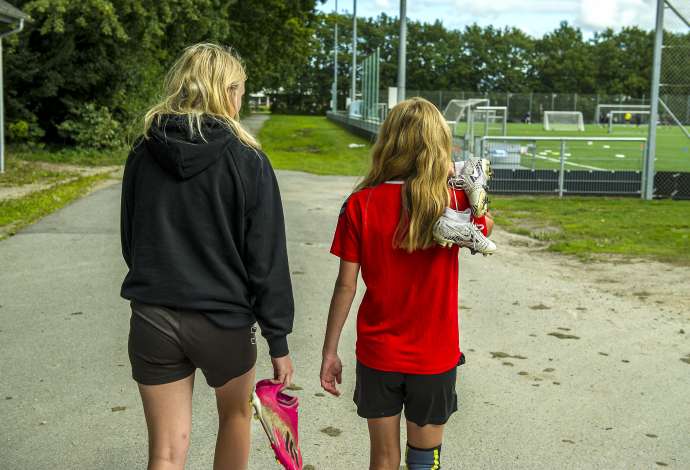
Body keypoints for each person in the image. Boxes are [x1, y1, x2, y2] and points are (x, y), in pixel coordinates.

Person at [120, 43, 294, 470]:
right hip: (224, 322)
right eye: (240, 91)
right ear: (227, 90)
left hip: (154, 316)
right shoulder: (248, 160)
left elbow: (132, 239)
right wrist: (279, 339)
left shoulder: (143, 153)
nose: (241, 100)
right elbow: (266, 259)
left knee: (165, 451)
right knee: (235, 418)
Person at [320, 98, 493, 470]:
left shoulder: (360, 204)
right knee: (424, 460)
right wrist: (454, 178)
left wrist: (329, 351)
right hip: (434, 355)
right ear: (438, 146)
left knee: (382, 458)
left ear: (390, 143)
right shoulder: (451, 199)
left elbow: (345, 286)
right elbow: (486, 228)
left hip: (378, 353)